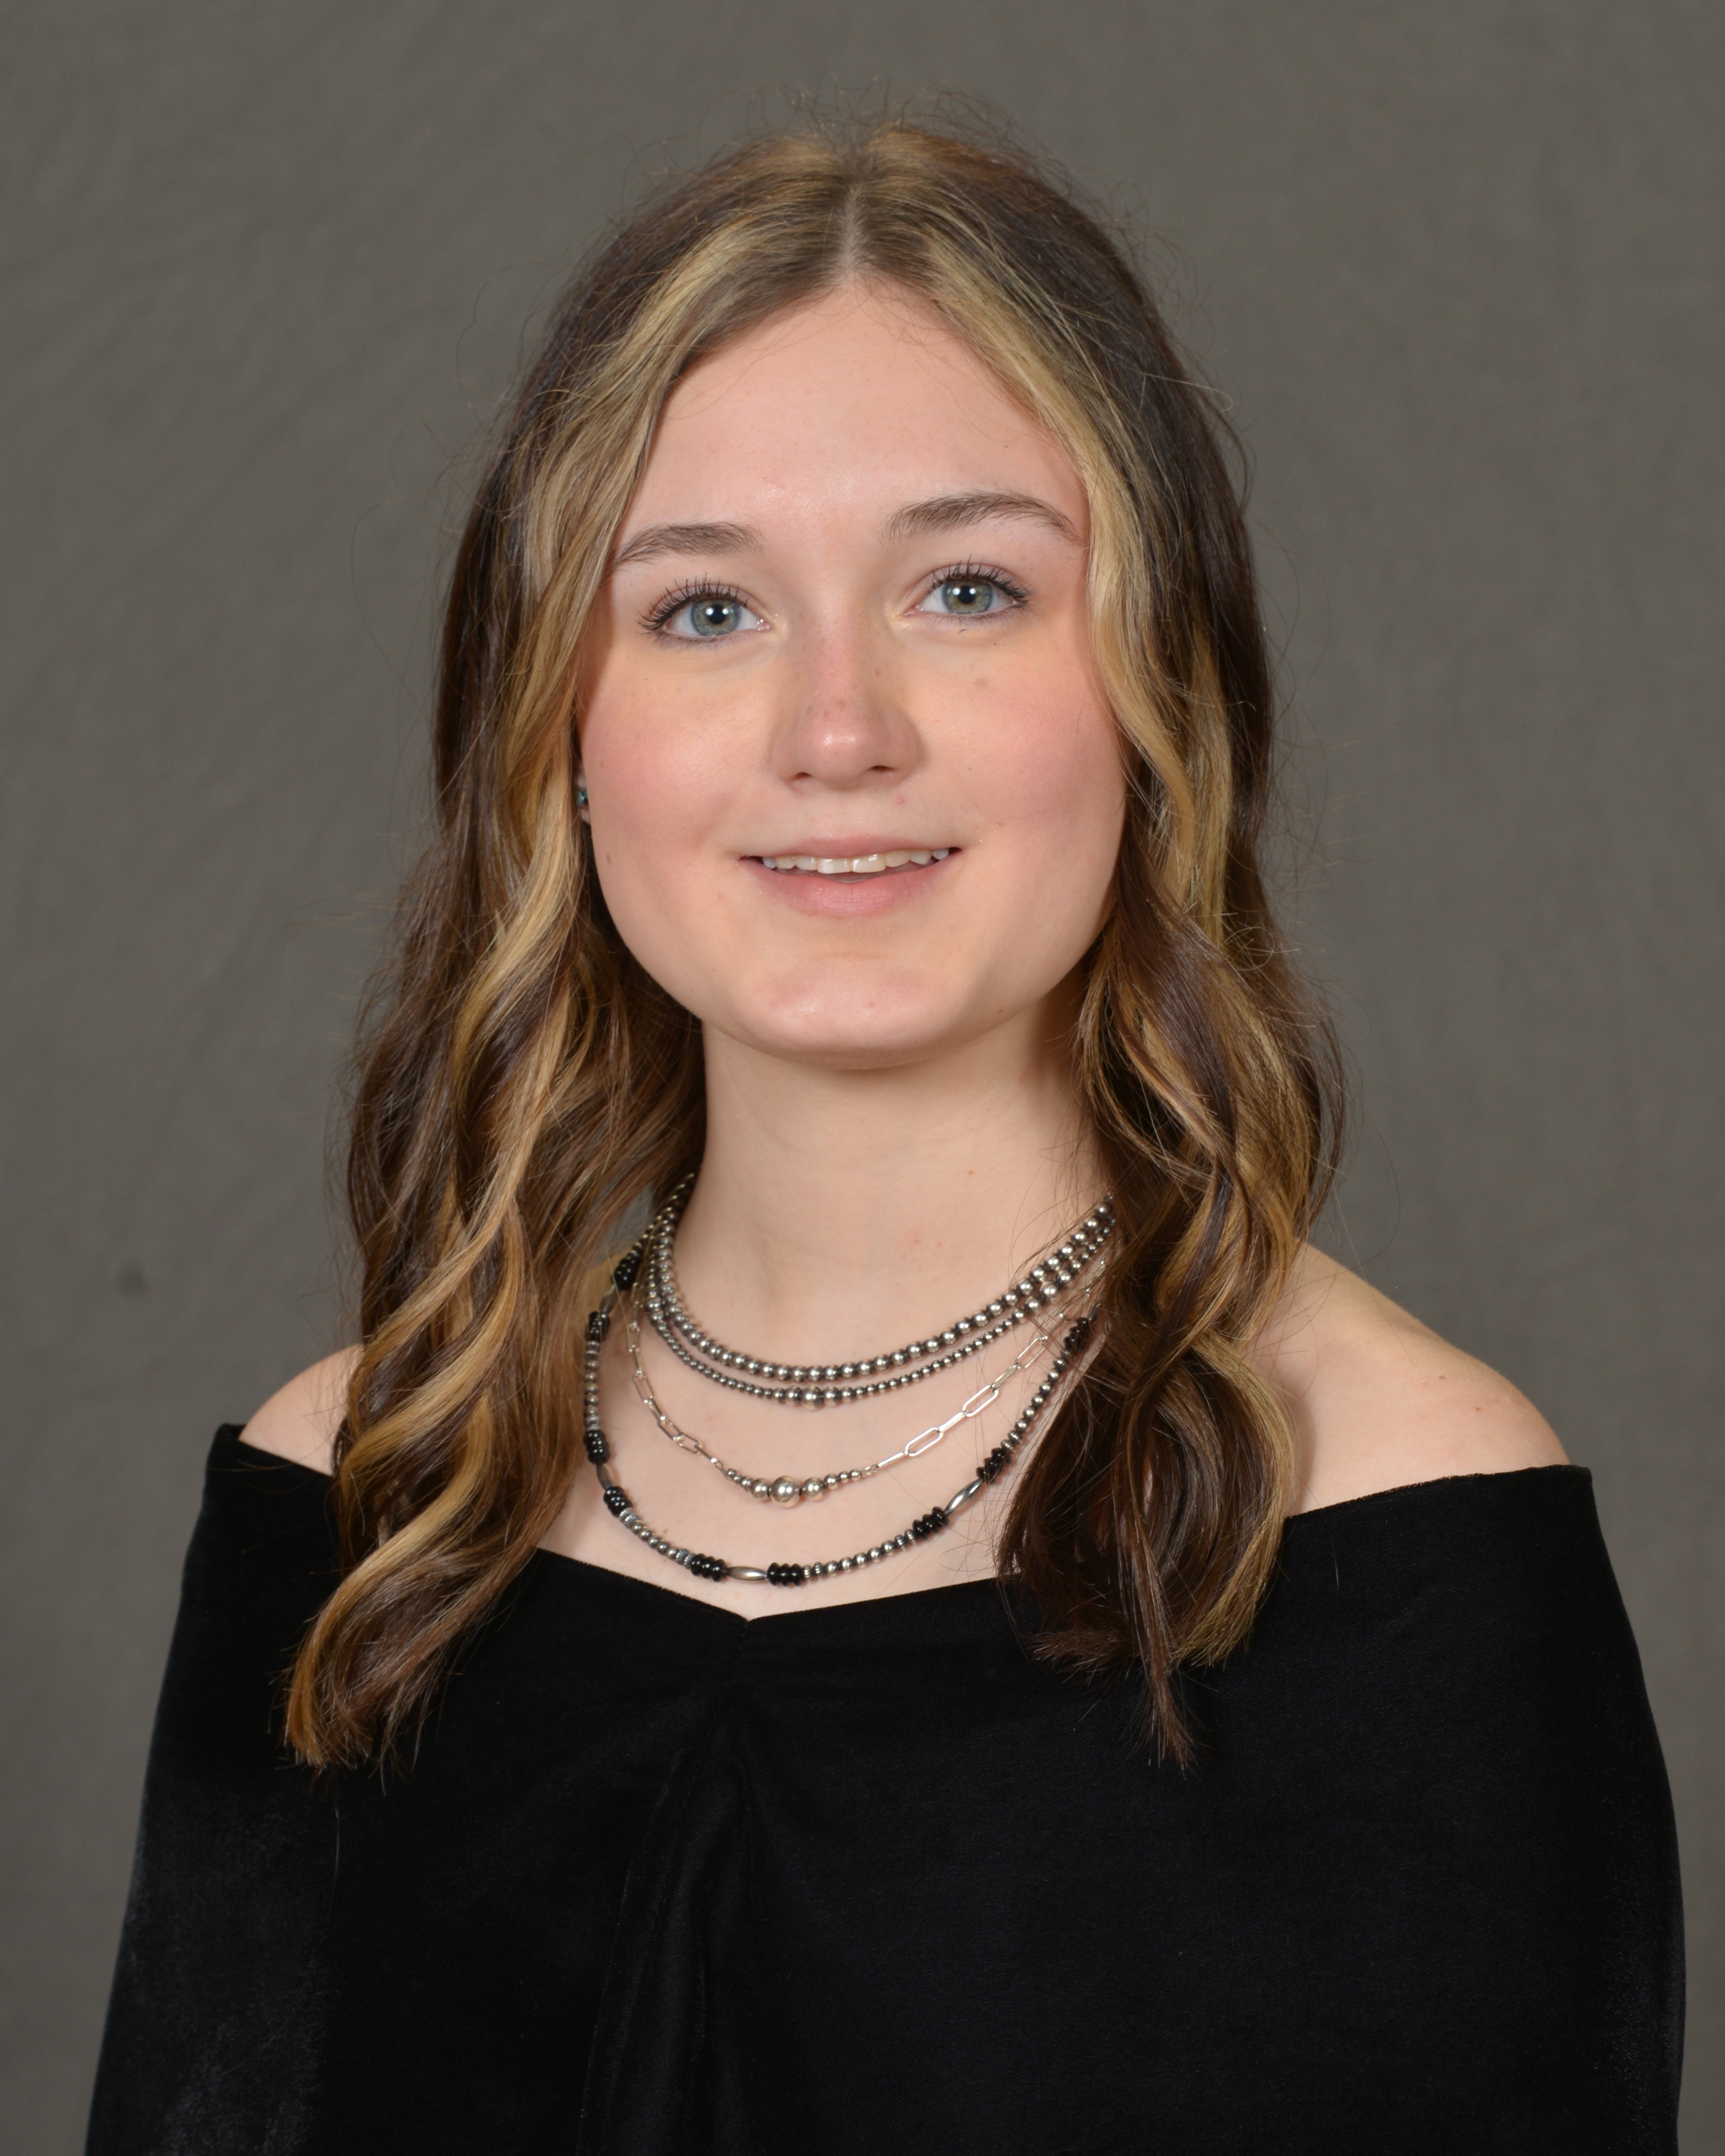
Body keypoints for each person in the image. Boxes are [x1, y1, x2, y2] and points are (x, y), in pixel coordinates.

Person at [87, 116, 1682, 2153]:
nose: (837, 731)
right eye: (704, 610)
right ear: (559, 738)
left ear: (1156, 695)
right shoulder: (358, 1499)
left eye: (965, 588)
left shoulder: (1394, 1520)